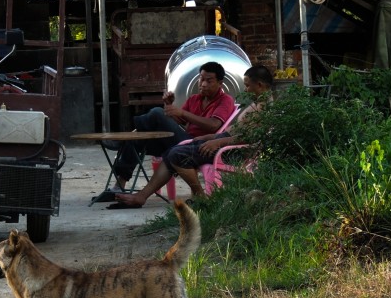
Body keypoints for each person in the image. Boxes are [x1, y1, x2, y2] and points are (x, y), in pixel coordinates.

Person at [113, 64, 274, 208]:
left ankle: (200, 197)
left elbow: (249, 137)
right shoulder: (255, 104)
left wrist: (217, 143)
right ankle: (140, 196)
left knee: (175, 151)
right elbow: (228, 131)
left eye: (247, 86)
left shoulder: (263, 108)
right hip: (214, 141)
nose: (245, 90)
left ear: (259, 85)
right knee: (166, 149)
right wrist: (209, 138)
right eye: (201, 79)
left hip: (229, 150)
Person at [110, 61, 235, 192]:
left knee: (157, 112)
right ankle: (119, 185)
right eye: (201, 79)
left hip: (196, 145)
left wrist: (182, 112)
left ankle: (124, 138)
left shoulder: (225, 100)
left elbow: (213, 125)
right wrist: (169, 106)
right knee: (136, 139)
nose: (203, 84)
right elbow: (179, 120)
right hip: (181, 141)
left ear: (220, 83)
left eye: (209, 81)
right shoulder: (195, 99)